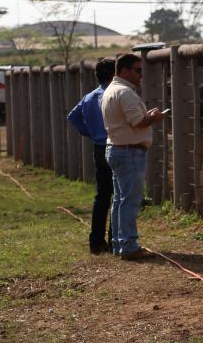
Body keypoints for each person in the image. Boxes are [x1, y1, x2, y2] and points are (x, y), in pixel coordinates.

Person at [100, 54, 165, 260]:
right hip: (129, 152)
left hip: (117, 149)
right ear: (124, 71)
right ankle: (128, 246)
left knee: (120, 200)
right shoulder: (125, 92)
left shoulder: (111, 90)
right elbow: (138, 122)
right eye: (138, 70)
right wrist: (153, 118)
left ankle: (120, 244)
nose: (141, 75)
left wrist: (148, 116)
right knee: (130, 201)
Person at [67, 58, 116, 255]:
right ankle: (116, 239)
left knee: (102, 195)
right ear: (114, 74)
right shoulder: (114, 95)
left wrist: (90, 132)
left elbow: (72, 117)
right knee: (119, 195)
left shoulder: (89, 97)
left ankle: (96, 241)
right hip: (115, 146)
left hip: (98, 147)